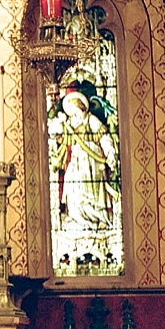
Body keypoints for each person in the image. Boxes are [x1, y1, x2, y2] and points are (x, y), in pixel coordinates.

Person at [50, 89, 117, 233]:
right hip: (76, 160)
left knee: (91, 190)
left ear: (81, 106)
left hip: (92, 160)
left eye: (74, 109)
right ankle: (77, 218)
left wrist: (110, 153)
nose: (73, 113)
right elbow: (61, 137)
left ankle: (98, 218)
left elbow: (104, 137)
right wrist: (57, 126)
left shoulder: (91, 119)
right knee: (71, 185)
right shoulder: (69, 123)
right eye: (70, 110)